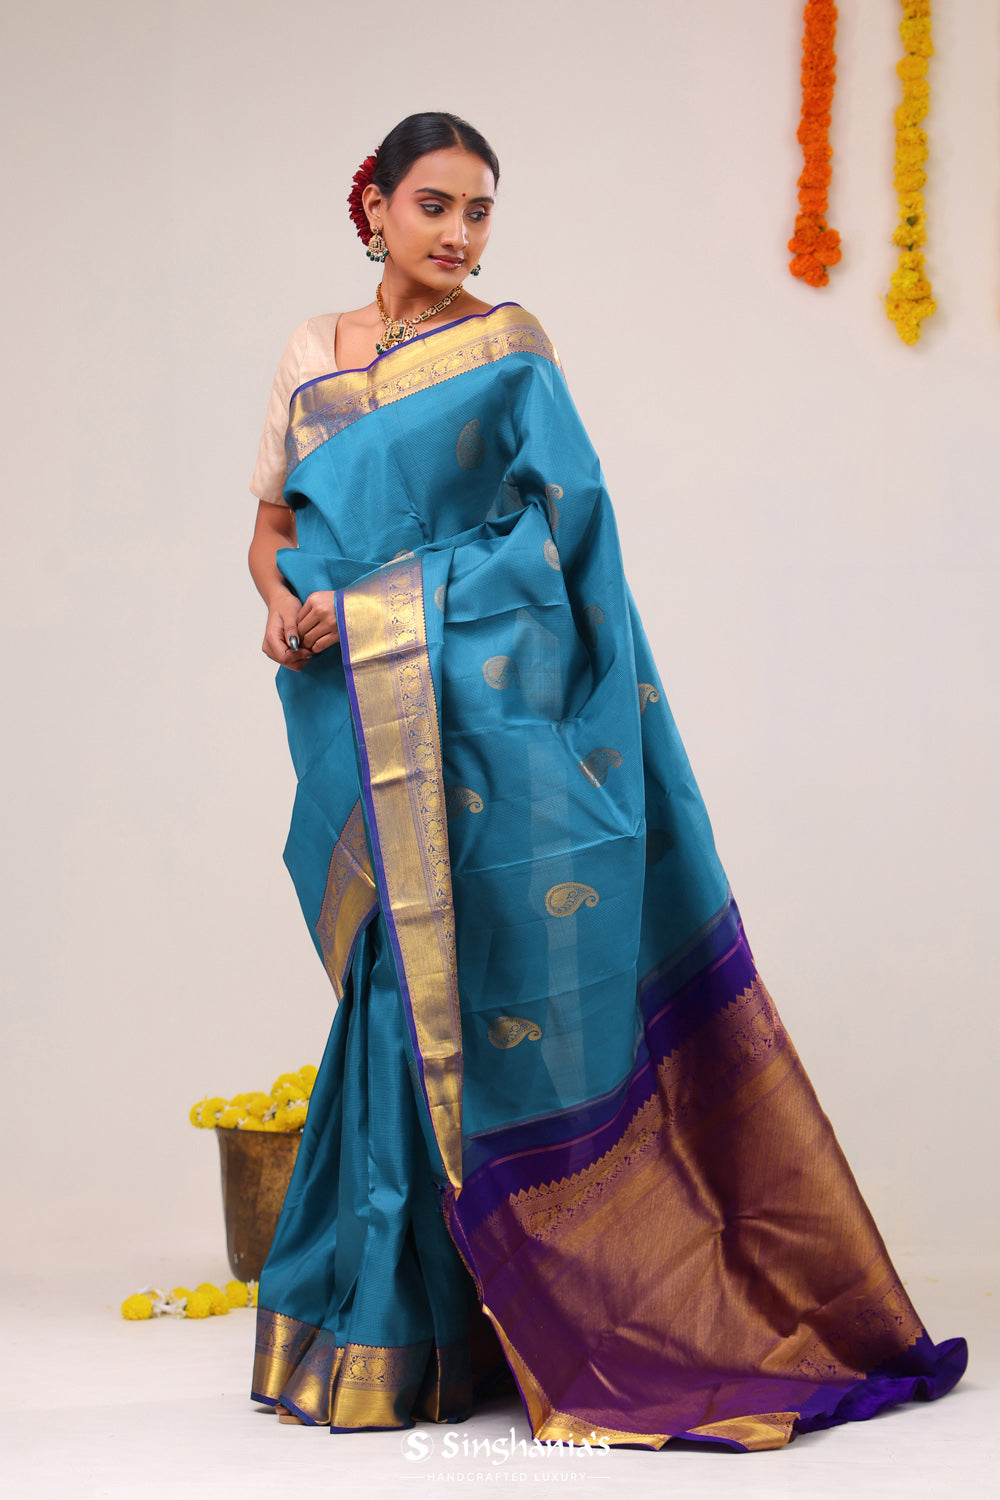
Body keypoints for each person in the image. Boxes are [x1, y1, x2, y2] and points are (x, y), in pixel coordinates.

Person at [246, 111, 966, 1449]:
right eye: (434, 205)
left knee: (495, 982)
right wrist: (286, 606)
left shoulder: (510, 349)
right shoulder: (309, 356)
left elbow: (560, 539)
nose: (459, 234)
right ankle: (414, 1332)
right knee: (399, 986)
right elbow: (275, 525)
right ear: (374, 206)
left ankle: (556, 1310)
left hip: (492, 714)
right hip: (360, 708)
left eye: (480, 212)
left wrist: (384, 608)